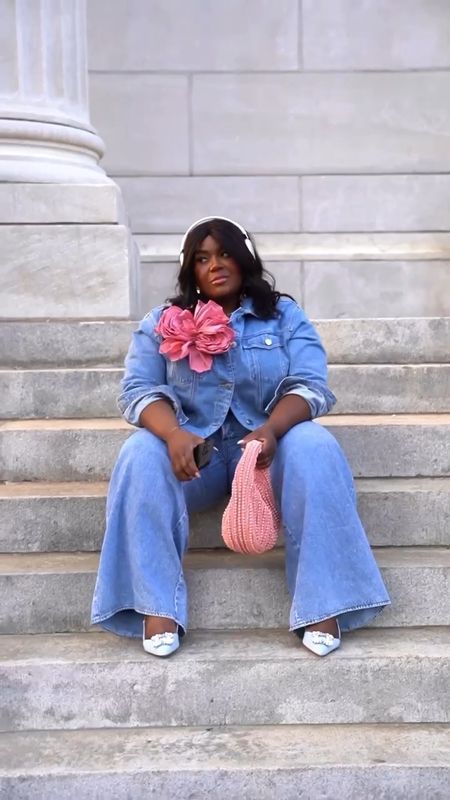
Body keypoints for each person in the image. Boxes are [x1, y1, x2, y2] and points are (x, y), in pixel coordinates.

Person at [91, 216, 390, 658]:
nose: (216, 264)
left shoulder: (285, 316)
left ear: (245, 257)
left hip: (269, 453)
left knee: (316, 446)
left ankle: (323, 603)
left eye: (226, 253)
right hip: (196, 461)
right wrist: (173, 434)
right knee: (138, 452)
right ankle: (156, 605)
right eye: (203, 258)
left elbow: (310, 385)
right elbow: (138, 390)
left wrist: (271, 429)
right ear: (189, 269)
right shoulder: (162, 322)